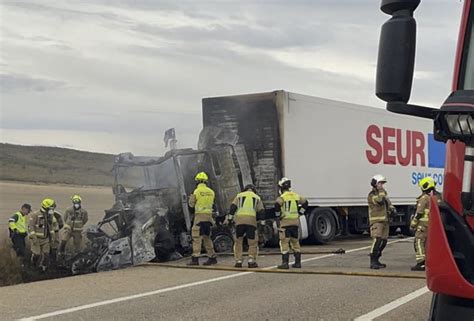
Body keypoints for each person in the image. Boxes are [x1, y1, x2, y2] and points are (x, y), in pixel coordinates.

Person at [227, 184, 265, 268]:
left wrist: (230, 219)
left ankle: (238, 261)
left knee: (238, 241)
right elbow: (261, 211)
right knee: (252, 242)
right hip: (251, 222)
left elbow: (233, 207)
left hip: (239, 221)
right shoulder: (257, 197)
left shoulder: (239, 195)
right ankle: (251, 261)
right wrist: (262, 224)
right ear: (254, 190)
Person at [275, 177, 308, 269]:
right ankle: (298, 263)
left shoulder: (282, 197)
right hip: (295, 223)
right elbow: (306, 203)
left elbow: (277, 205)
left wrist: (278, 216)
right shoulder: (296, 195)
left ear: (281, 188)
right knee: (295, 242)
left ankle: (285, 263)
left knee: (284, 243)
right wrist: (300, 213)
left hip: (285, 224)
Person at [187, 172, 217, 266]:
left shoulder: (196, 191)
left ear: (197, 181)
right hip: (208, 217)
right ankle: (212, 257)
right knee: (207, 238)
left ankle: (195, 259)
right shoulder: (211, 192)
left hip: (199, 217)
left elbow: (191, 205)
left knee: (196, 238)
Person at [367, 175, 396, 269]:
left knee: (384, 241)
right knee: (377, 239)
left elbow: (388, 202)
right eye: (380, 183)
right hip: (377, 221)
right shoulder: (372, 194)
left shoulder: (383, 193)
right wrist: (381, 192)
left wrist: (392, 209)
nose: (382, 186)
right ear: (375, 184)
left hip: (385, 220)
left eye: (382, 184)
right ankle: (373, 261)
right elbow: (380, 201)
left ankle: (377, 259)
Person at [410, 177, 439, 271]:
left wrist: (413, 223)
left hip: (422, 225)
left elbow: (419, 212)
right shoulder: (436, 197)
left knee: (419, 242)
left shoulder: (424, 198)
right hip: (431, 225)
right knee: (427, 243)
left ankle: (420, 262)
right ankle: (428, 262)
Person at [28, 198, 57, 272]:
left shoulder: (49, 216)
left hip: (45, 239)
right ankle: (33, 265)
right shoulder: (35, 215)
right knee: (37, 254)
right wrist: (34, 237)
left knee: (46, 255)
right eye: (51, 208)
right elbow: (30, 227)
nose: (52, 210)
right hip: (36, 239)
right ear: (46, 207)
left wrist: (53, 237)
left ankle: (43, 268)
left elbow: (50, 227)